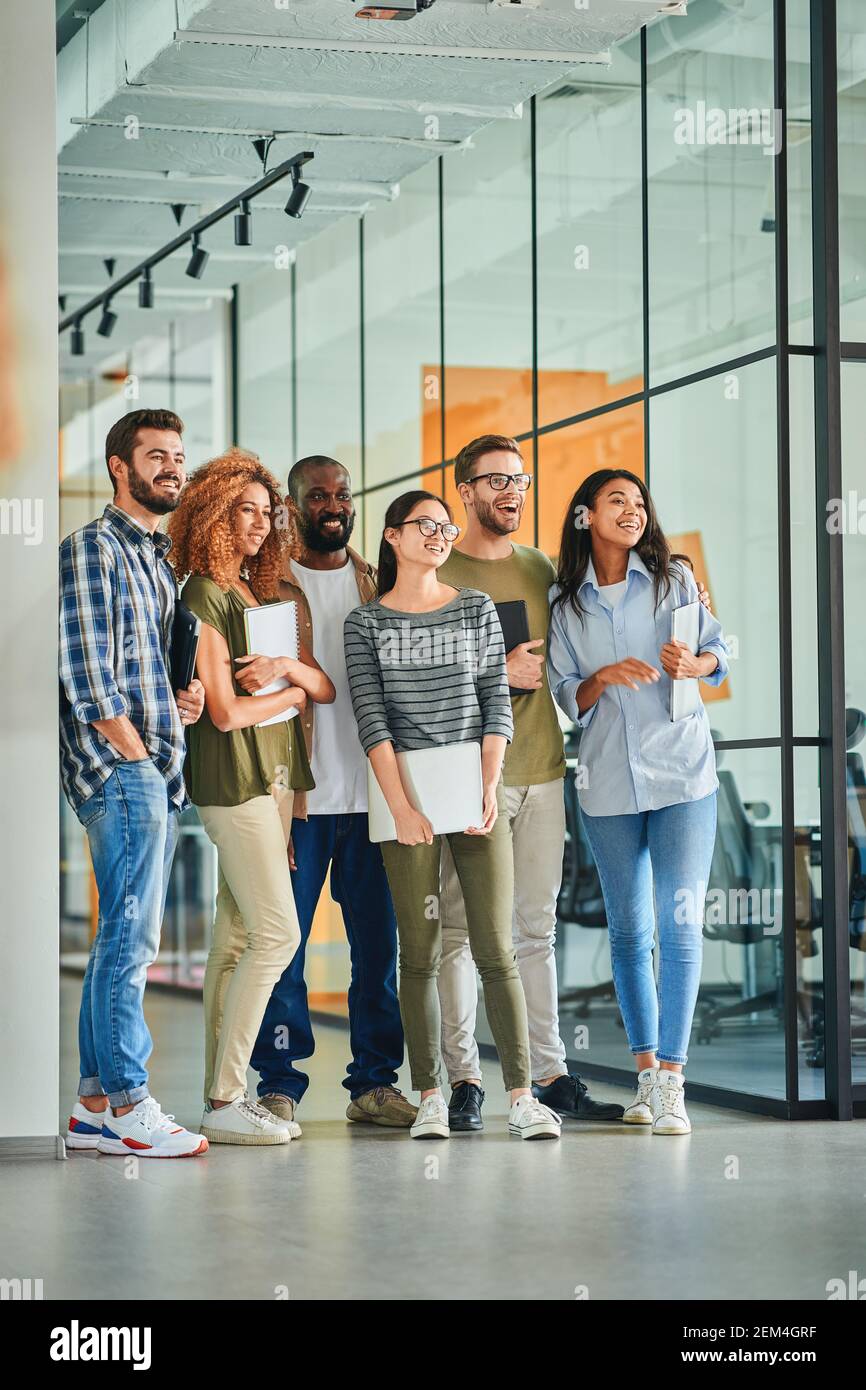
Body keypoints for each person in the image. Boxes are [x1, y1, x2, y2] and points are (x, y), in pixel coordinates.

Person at [344, 489, 562, 1141]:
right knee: (420, 951)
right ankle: (432, 1093)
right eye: (425, 526)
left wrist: (488, 786)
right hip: (403, 791)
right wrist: (405, 807)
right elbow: (371, 719)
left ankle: (522, 1097)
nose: (439, 535)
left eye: (445, 526)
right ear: (392, 537)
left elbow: (497, 701)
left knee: (496, 948)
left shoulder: (473, 609)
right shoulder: (367, 624)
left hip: (473, 788)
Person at [436, 435, 625, 1132]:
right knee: (458, 931)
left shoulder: (541, 568)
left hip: (543, 771)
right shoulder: (440, 571)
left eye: (519, 479)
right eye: (494, 481)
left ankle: (549, 1075)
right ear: (464, 491)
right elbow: (413, 677)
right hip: (466, 775)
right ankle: (463, 1080)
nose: (511, 491)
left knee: (533, 930)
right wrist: (494, 672)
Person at [547, 469, 729, 1136]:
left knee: (679, 924)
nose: (633, 511)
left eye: (639, 501)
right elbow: (565, 694)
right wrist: (602, 677)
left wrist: (698, 667)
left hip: (683, 775)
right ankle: (647, 1073)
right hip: (608, 784)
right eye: (616, 501)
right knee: (630, 930)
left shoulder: (676, 580)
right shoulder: (565, 605)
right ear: (585, 516)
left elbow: (719, 650)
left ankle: (674, 1081)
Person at [167, 449, 335, 1145]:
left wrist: (289, 801)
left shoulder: (254, 597)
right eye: (247, 511)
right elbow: (229, 714)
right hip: (232, 786)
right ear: (214, 513)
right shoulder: (204, 593)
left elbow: (301, 696)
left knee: (236, 940)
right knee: (279, 934)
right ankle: (229, 1095)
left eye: (269, 514)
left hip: (268, 788)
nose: (262, 525)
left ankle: (218, 1099)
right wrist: (292, 690)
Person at [60, 408, 208, 1158]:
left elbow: (143, 669)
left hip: (149, 764)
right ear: (120, 466)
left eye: (179, 455)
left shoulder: (156, 558)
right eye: (156, 456)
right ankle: (128, 1100)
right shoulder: (94, 547)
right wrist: (137, 756)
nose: (172, 468)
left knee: (121, 933)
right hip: (123, 772)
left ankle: (92, 1107)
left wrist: (185, 704)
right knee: (134, 936)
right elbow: (87, 675)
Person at [251, 456, 414, 1131]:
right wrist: (273, 801)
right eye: (318, 495)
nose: (333, 505)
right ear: (292, 506)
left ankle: (374, 1083)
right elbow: (262, 700)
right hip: (303, 801)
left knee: (377, 953)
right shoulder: (266, 586)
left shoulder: (380, 582)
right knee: (283, 951)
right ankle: (280, 1084)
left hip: (374, 799)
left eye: (342, 494)